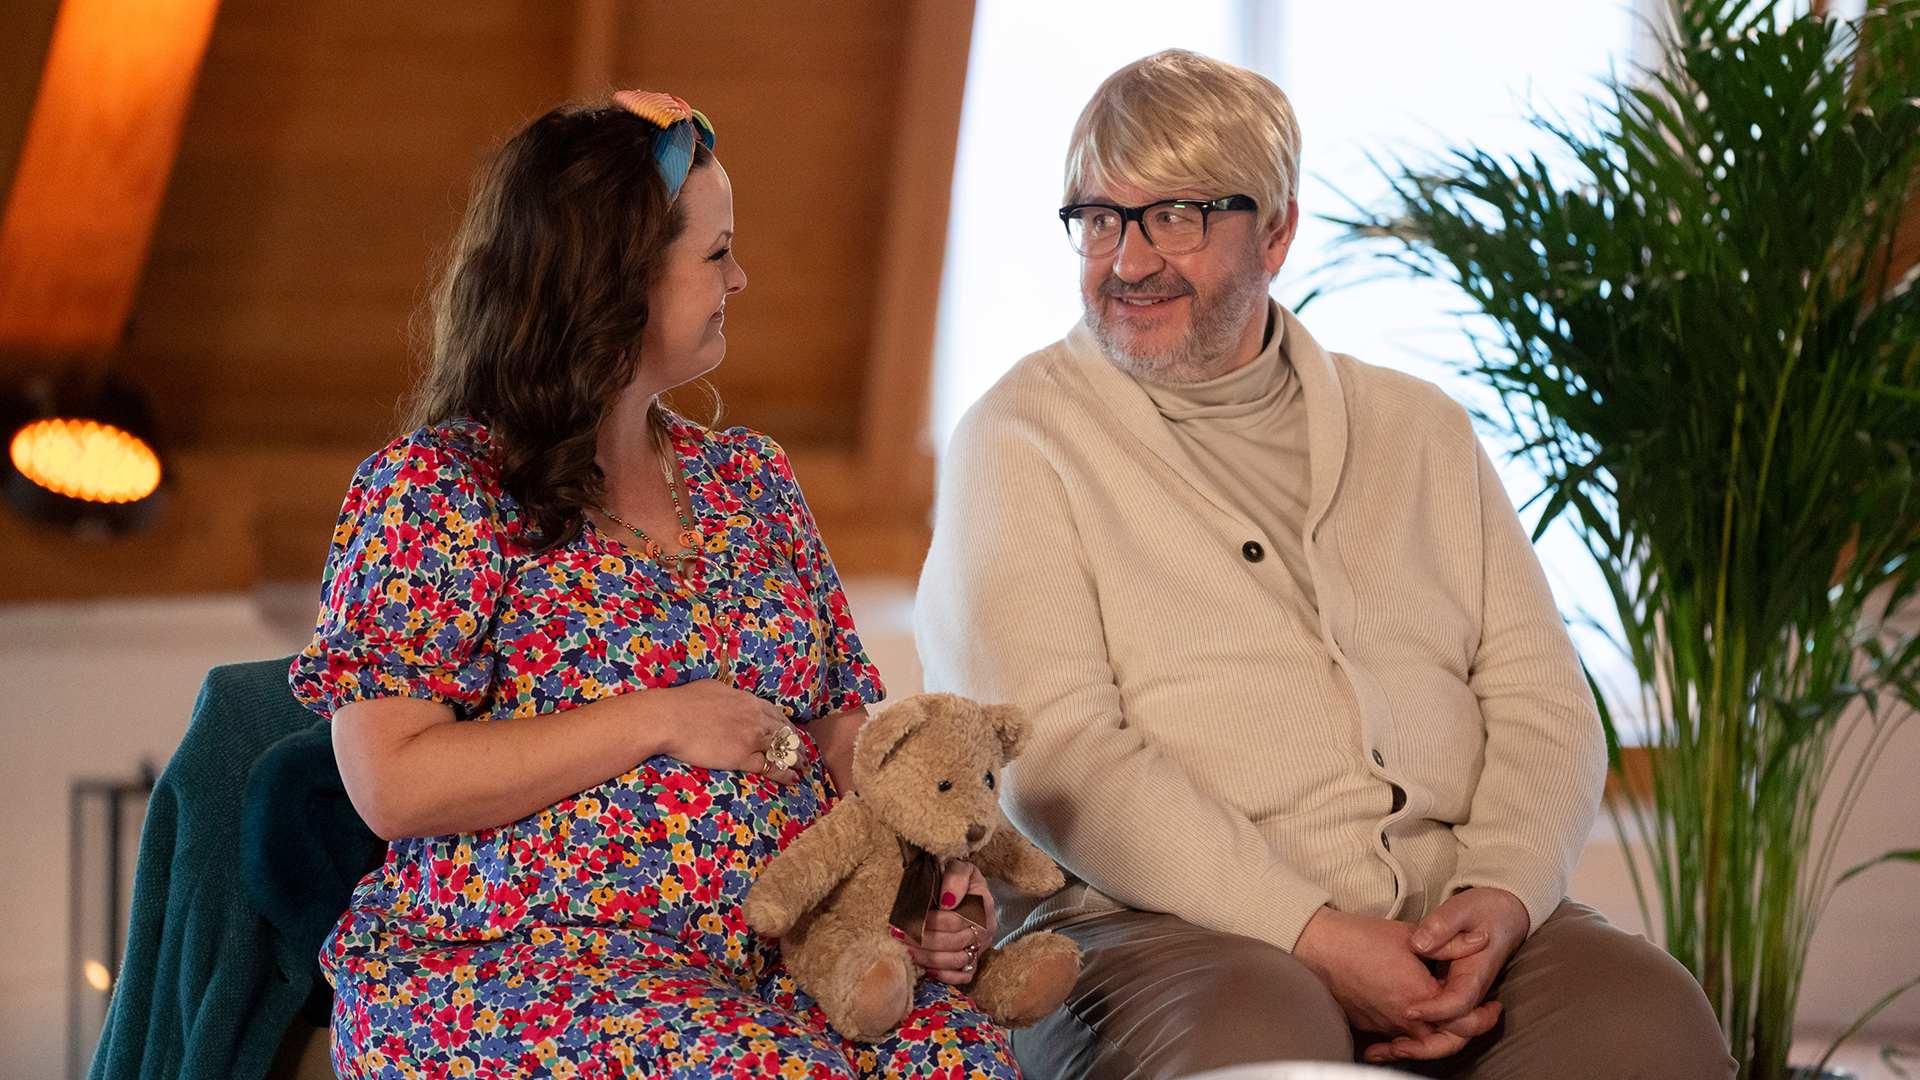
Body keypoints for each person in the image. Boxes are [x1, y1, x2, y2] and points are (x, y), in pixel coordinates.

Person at [915, 50, 1733, 1079]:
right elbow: (1058, 760)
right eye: (1101, 219)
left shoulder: (1421, 429)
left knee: (1651, 1023)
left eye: (1175, 218)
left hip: (1453, 914)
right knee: (1263, 1050)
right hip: (1147, 929)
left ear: (1277, 231)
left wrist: (1504, 896)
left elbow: (1541, 696)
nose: (1128, 261)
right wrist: (1313, 934)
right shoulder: (1017, 441)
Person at [291, 90, 1015, 1079]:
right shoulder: (435, 490)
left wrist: (924, 876)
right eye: (717, 254)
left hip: (785, 962)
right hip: (520, 968)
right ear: (618, 278)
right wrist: (662, 718)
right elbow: (393, 783)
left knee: (964, 1058)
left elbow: (843, 727)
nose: (740, 277)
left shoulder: (753, 478)